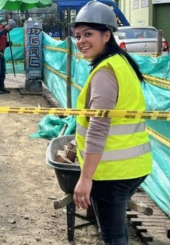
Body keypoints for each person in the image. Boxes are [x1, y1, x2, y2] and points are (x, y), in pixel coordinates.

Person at [72, 1, 153, 244]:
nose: (81, 41)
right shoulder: (121, 62)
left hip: (111, 172)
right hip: (134, 166)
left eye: (88, 34)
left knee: (114, 237)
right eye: (77, 36)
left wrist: (86, 178)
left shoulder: (106, 72)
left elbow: (98, 127)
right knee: (116, 232)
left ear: (107, 35)